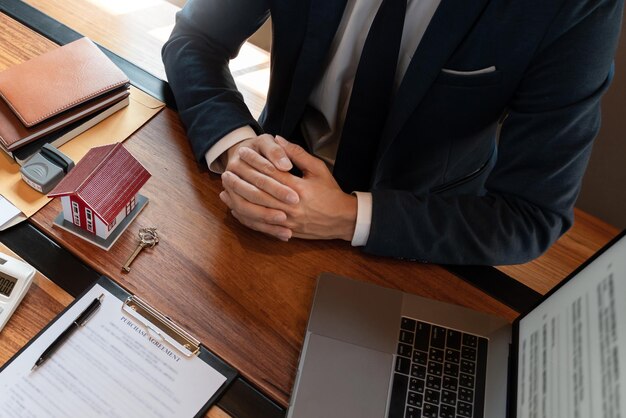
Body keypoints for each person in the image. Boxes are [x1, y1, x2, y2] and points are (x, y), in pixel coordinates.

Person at [162, 0, 623, 265]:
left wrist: (348, 217)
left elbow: (531, 215)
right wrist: (237, 145)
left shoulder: (575, 6)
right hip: (265, 196)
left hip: (417, 231)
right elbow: (194, 40)